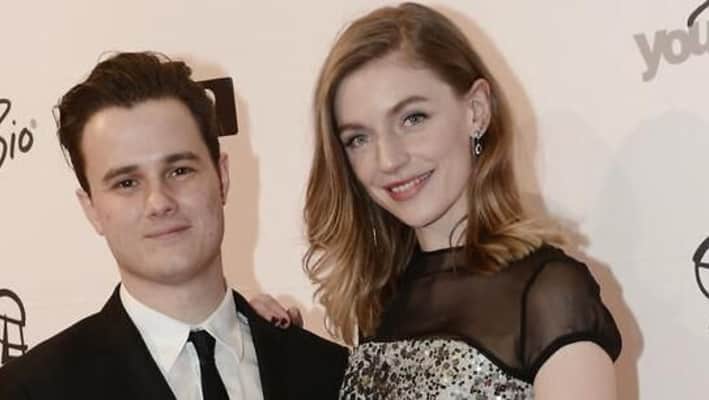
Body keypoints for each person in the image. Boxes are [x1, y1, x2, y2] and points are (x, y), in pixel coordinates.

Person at [253, 3, 622, 399]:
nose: (388, 159)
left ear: (476, 111)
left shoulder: (549, 293)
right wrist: (262, 342)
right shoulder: (381, 300)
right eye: (359, 138)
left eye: (413, 118)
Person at [0, 52, 347, 400]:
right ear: (91, 208)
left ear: (222, 177)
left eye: (180, 171)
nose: (159, 202)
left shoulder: (331, 372)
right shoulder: (29, 390)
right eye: (126, 183)